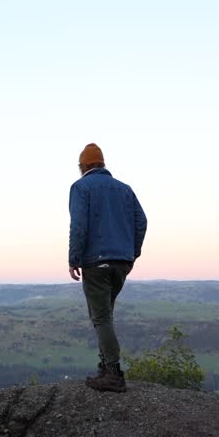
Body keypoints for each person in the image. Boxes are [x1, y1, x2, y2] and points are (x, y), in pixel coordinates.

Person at [69, 143, 147, 392]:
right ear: (102, 164)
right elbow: (141, 221)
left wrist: (74, 258)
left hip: (96, 262)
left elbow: (79, 225)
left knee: (101, 317)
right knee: (106, 316)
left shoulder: (81, 187)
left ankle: (112, 372)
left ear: (82, 167)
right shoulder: (124, 189)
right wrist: (132, 253)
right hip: (121, 263)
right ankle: (105, 368)